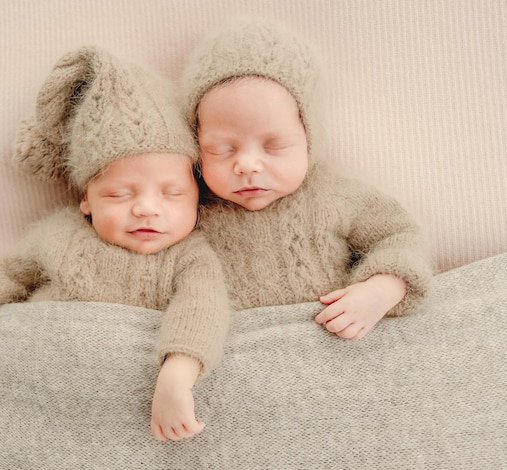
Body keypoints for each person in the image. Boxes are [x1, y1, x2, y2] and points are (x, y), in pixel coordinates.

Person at [0, 46, 231, 442]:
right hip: (39, 390)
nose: (145, 209)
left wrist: (176, 377)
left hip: (124, 410)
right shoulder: (61, 235)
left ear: (197, 197)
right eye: (120, 195)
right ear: (85, 200)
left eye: (172, 193)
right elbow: (8, 271)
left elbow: (202, 310)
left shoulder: (190, 258)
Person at [181, 19, 432, 339]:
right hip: (234, 350)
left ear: (309, 138)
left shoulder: (336, 193)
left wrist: (380, 290)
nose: (246, 165)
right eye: (221, 150)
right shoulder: (189, 202)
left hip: (331, 339)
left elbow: (401, 236)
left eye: (274, 146)